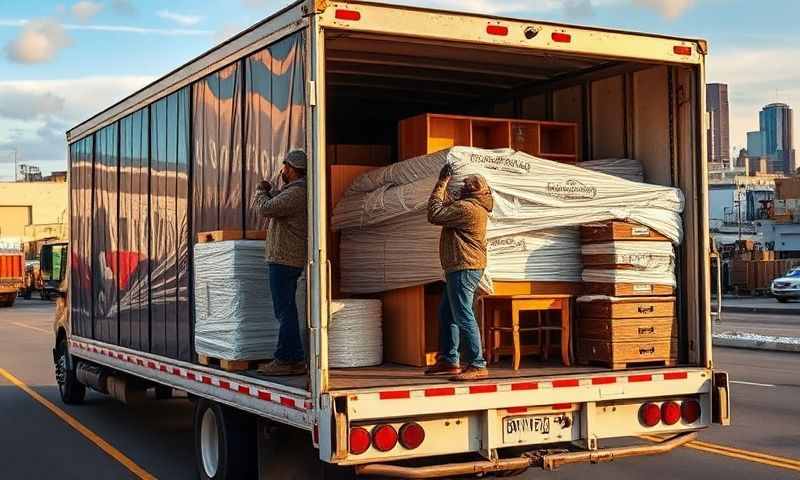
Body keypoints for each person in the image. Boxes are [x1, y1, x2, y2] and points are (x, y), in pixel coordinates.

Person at [426, 164, 493, 381]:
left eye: (464, 187)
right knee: (447, 313)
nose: (461, 189)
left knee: (463, 315)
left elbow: (435, 213)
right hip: (462, 266)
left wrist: (442, 182)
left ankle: (477, 363)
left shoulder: (468, 209)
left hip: (464, 267)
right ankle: (449, 359)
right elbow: (447, 209)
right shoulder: (472, 206)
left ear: (470, 192)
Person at [254, 150, 308, 376]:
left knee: (284, 310)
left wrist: (260, 191)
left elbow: (266, 208)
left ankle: (287, 358)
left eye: (285, 167)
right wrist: (269, 192)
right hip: (286, 258)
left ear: (293, 169)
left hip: (284, 259)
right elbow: (276, 199)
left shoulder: (297, 193)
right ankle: (293, 357)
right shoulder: (293, 192)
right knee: (286, 309)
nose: (282, 171)